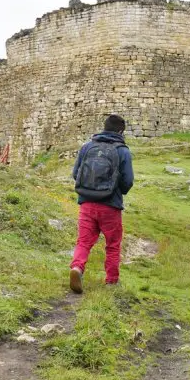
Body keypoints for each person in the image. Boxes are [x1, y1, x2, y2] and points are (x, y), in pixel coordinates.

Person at [70, 114, 134, 293]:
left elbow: (76, 173)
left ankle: (77, 268)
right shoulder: (122, 151)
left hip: (87, 204)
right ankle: (111, 281)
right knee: (113, 244)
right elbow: (128, 181)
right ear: (121, 131)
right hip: (110, 206)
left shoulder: (87, 147)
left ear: (104, 127)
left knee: (83, 241)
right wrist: (115, 190)